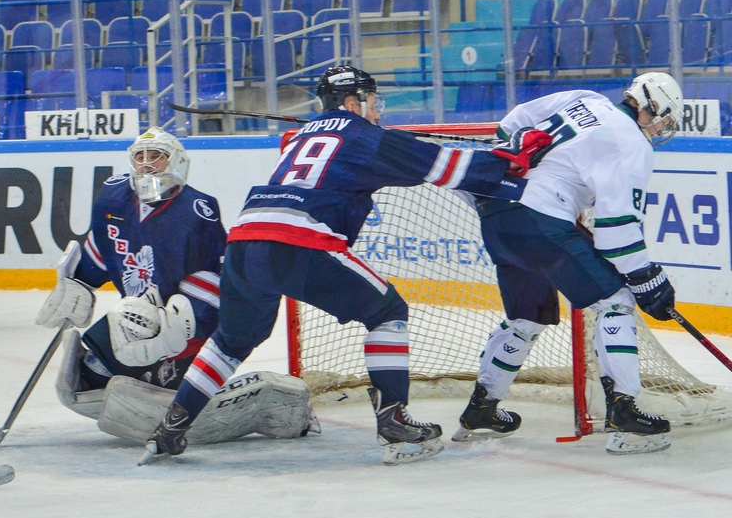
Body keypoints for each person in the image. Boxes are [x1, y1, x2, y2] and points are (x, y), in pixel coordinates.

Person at [141, 66, 550, 466]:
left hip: (244, 241)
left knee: (231, 342)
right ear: (353, 103)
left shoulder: (301, 136)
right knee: (387, 310)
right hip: (298, 240)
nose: (378, 111)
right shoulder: (367, 137)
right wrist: (510, 157)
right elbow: (450, 168)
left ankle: (170, 430)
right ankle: (394, 423)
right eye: (373, 101)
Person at [35, 127, 318, 446]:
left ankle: (263, 397)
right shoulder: (113, 196)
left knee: (174, 392)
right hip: (135, 317)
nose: (146, 164)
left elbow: (218, 277)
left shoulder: (196, 211)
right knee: (89, 378)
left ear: (177, 162)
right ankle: (147, 372)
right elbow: (106, 246)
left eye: (156, 156)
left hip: (182, 325)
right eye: (140, 157)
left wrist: (175, 327)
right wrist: (78, 279)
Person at [454, 72, 683, 455]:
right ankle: (624, 415)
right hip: (540, 218)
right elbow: (616, 230)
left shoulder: (585, 98)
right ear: (653, 106)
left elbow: (511, 124)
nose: (662, 129)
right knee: (616, 302)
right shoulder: (632, 144)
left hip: (497, 214)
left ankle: (481, 409)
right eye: (665, 119)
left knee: (525, 318)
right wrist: (648, 278)